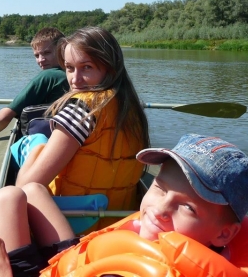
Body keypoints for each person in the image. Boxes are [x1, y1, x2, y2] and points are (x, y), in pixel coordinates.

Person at [0, 134, 248, 277]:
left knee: (6, 198)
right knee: (30, 190)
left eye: (187, 208)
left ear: (224, 234)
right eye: (159, 189)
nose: (160, 210)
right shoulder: (213, 250)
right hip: (77, 260)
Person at [13, 26, 150, 229]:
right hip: (117, 222)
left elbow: (24, 190)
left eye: (86, 67)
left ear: (110, 68)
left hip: (74, 224)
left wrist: (38, 151)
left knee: (30, 146)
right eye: (69, 68)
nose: (74, 80)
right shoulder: (132, 108)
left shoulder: (81, 110)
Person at [0, 27, 68, 145]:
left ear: (62, 49)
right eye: (36, 55)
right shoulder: (73, 74)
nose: (41, 60)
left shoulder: (48, 76)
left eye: (47, 53)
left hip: (48, 140)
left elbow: (5, 115)